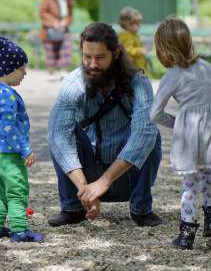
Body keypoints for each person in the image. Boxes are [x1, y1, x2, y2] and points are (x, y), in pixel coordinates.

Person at [47, 22, 163, 227]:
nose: (92, 64)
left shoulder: (139, 83)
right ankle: (73, 208)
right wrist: (86, 191)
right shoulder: (73, 83)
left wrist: (104, 181)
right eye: (87, 57)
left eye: (100, 57)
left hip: (126, 175)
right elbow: (58, 137)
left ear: (116, 54)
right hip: (85, 176)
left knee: (149, 132)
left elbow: (144, 132)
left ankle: (141, 209)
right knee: (60, 132)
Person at [150, 18, 211, 249]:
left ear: (163, 49)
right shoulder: (206, 66)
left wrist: (177, 123)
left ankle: (186, 236)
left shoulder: (171, 76)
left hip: (190, 133)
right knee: (207, 174)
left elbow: (155, 113)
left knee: (189, 183)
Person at [0, 35, 44, 243]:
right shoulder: (8, 96)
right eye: (21, 68)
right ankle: (19, 231)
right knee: (17, 193)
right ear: (9, 68)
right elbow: (10, 128)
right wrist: (25, 149)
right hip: (9, 155)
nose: (25, 72)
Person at [39, 0, 74, 81]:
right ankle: (51, 73)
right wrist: (54, 22)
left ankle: (64, 72)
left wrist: (66, 22)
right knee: (51, 52)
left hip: (64, 28)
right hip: (50, 28)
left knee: (66, 51)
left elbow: (70, 15)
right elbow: (42, 12)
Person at [118, 6, 149, 75]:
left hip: (138, 67)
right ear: (124, 23)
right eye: (132, 23)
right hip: (132, 68)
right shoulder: (126, 34)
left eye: (138, 23)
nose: (136, 26)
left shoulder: (133, 34)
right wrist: (140, 50)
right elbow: (126, 49)